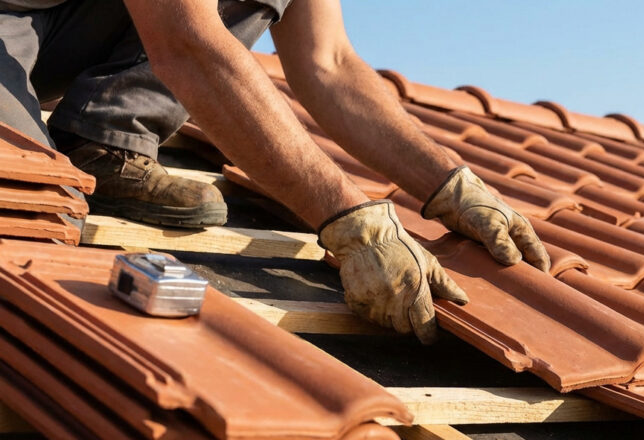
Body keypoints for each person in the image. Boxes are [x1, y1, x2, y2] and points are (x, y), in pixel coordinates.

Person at [0, 0, 550, 343]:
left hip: (57, 18)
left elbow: (329, 63)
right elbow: (187, 42)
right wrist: (354, 225)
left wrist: (453, 185)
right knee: (32, 202)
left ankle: (105, 140)